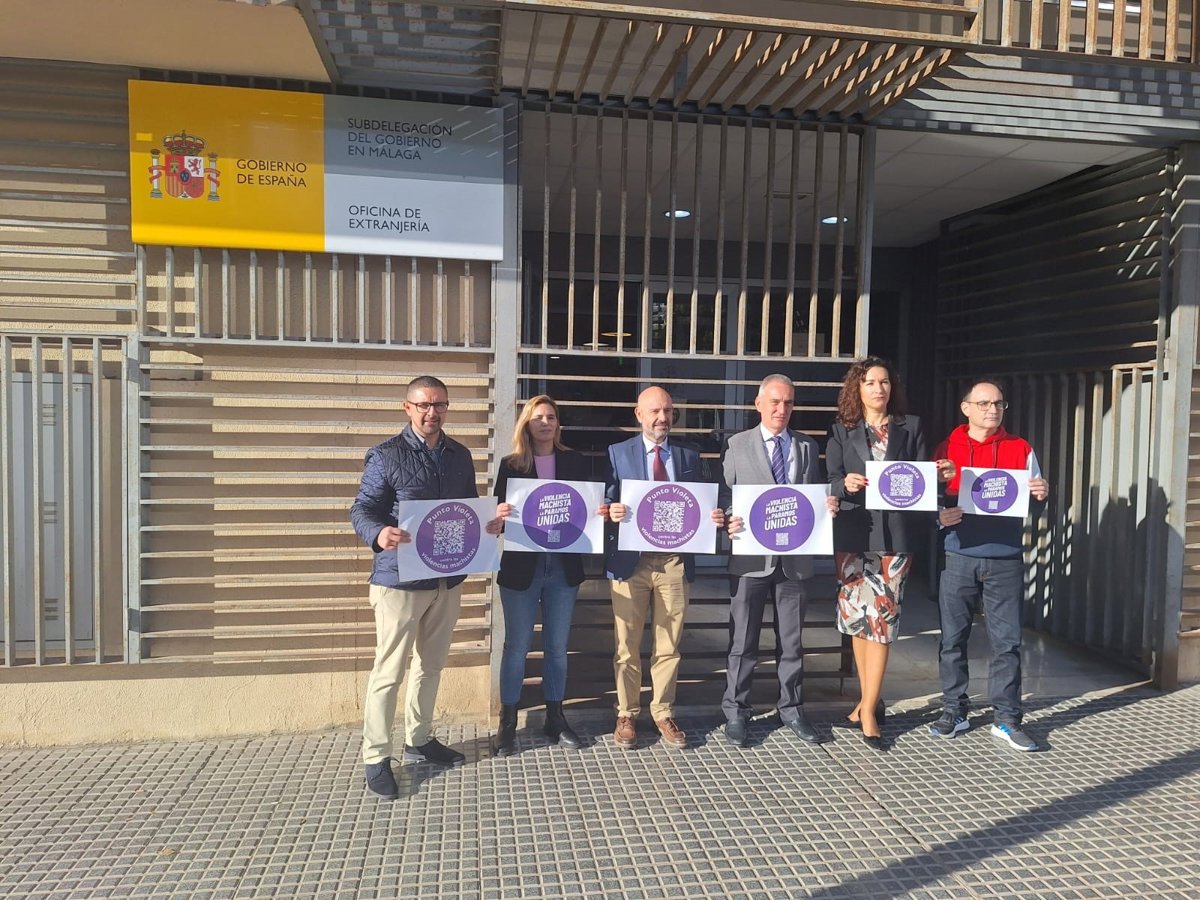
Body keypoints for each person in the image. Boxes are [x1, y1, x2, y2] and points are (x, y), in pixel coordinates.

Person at [350, 375, 505, 799]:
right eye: (423, 405)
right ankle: (376, 756)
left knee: (431, 665)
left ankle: (419, 739)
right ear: (408, 408)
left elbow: (469, 509)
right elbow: (362, 508)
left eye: (439, 405)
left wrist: (490, 525)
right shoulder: (385, 455)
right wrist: (378, 532)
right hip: (399, 580)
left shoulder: (460, 455)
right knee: (389, 671)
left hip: (446, 579)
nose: (431, 412)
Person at [826, 358, 946, 750]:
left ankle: (869, 713)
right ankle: (866, 702)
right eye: (870, 382)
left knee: (882, 622)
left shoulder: (911, 426)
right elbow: (829, 480)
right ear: (856, 389)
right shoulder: (841, 430)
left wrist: (938, 476)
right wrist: (844, 484)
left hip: (894, 536)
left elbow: (923, 480)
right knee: (859, 621)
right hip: (853, 533)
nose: (879, 389)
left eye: (884, 382)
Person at [931, 379, 1049, 752]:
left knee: (1007, 643)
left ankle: (1007, 719)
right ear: (966, 408)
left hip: (1005, 558)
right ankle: (954, 710)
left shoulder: (1021, 448)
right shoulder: (946, 449)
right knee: (952, 639)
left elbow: (1034, 503)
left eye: (998, 403)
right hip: (959, 555)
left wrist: (1041, 497)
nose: (992, 410)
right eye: (983, 404)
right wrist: (939, 516)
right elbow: (925, 499)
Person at [721, 374, 839, 748]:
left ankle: (792, 709)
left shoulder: (806, 446)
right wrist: (728, 516)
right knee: (743, 641)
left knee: (792, 642)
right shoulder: (737, 444)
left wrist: (826, 505)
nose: (781, 409)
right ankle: (736, 711)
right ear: (758, 404)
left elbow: (812, 495)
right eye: (774, 402)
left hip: (795, 561)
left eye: (788, 402)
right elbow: (725, 495)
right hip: (750, 559)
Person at [605, 386, 725, 750]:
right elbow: (605, 499)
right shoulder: (617, 452)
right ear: (638, 414)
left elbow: (702, 500)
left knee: (669, 644)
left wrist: (713, 516)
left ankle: (662, 712)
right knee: (626, 645)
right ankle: (627, 713)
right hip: (631, 562)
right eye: (655, 411)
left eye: (668, 411)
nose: (662, 418)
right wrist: (611, 510)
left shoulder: (689, 453)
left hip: (674, 562)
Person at [491, 395, 607, 757]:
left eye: (551, 417)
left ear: (558, 424)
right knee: (516, 648)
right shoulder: (511, 465)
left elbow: (586, 510)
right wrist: (499, 513)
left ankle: (555, 718)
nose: (545, 422)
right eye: (538, 417)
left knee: (557, 648)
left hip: (562, 568)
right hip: (521, 568)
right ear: (526, 423)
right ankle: (508, 721)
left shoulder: (574, 460)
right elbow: (496, 520)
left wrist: (600, 511)